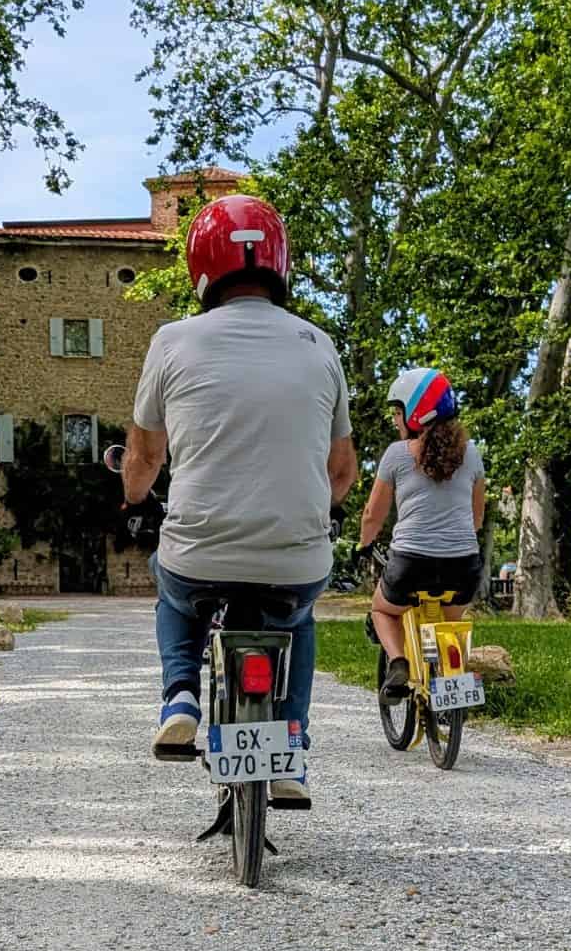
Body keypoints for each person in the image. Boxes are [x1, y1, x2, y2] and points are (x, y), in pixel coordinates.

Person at [117, 193, 355, 809]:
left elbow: (143, 458)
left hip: (200, 551)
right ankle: (290, 752)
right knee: (297, 620)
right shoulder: (318, 344)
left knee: (171, 587)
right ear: (279, 264)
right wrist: (313, 506)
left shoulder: (171, 341)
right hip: (294, 557)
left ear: (201, 267)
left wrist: (133, 502)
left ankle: (180, 697)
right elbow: (343, 468)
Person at [357, 367, 485, 689]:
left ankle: (398, 662)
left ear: (417, 413)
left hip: (411, 563)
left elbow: (373, 514)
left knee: (382, 610)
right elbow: (477, 518)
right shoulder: (472, 454)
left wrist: (364, 545)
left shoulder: (397, 455)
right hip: (463, 564)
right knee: (452, 624)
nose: (395, 420)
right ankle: (454, 680)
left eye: (398, 412)